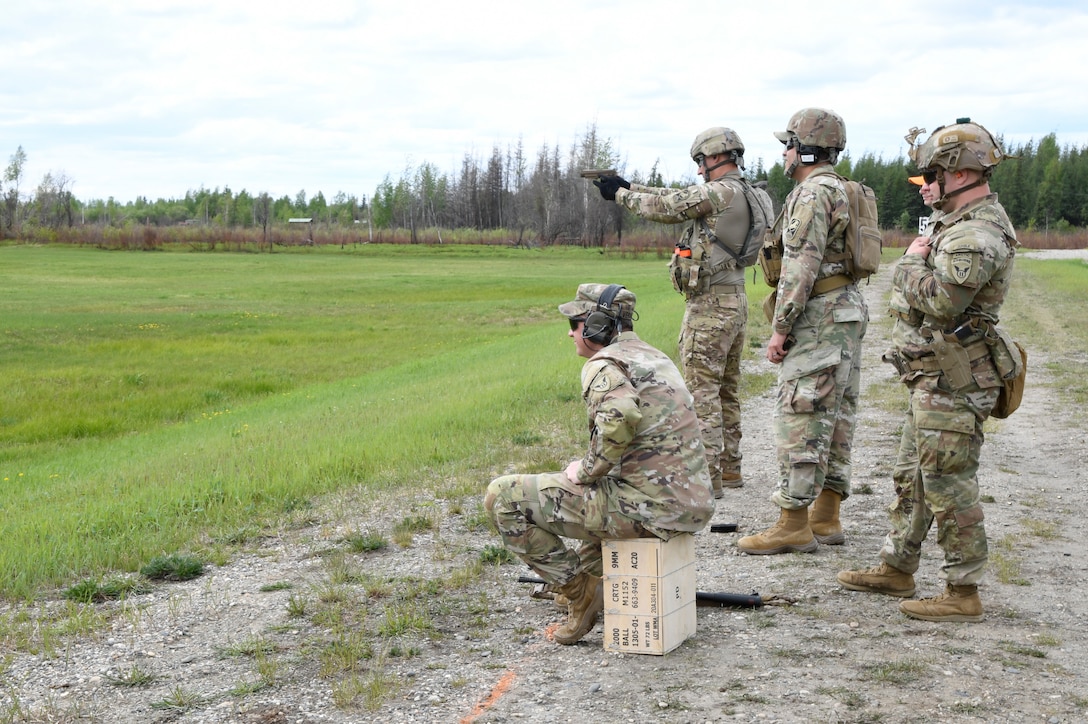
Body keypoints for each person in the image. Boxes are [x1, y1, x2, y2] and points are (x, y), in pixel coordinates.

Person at [838, 119, 1017, 622]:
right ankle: (897, 566)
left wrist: (908, 266)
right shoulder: (956, 225)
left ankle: (963, 592)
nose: (925, 187)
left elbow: (944, 300)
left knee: (948, 482)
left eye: (930, 176)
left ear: (959, 174)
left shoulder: (976, 234)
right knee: (913, 477)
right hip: (931, 378)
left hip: (952, 381)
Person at [484, 283, 714, 644]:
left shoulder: (604, 363)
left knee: (503, 497)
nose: (571, 332)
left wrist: (587, 468)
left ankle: (581, 592)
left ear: (595, 327)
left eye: (576, 323)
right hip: (685, 503)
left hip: (650, 508)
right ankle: (590, 581)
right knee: (593, 492)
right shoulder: (655, 357)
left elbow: (620, 415)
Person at [593, 128, 758, 497]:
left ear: (717, 157)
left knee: (703, 393)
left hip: (710, 307)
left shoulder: (721, 192)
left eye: (702, 162)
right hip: (735, 299)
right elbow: (679, 197)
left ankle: (709, 478)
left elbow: (669, 207)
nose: (700, 170)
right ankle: (730, 468)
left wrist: (620, 196)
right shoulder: (743, 191)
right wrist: (632, 186)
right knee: (727, 390)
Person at [737, 107, 868, 554]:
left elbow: (801, 266)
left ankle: (793, 522)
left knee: (802, 413)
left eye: (788, 144)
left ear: (807, 148)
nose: (785, 153)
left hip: (819, 316)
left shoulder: (812, 194)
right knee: (838, 415)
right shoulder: (846, 189)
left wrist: (780, 328)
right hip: (846, 312)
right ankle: (826, 516)